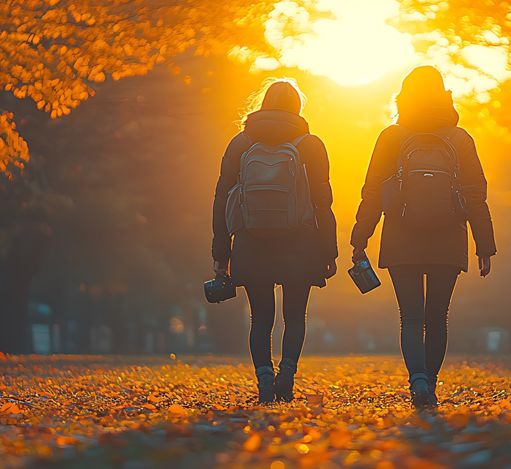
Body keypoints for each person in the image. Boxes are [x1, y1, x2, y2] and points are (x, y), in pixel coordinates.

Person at [350, 66, 496, 408]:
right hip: (448, 239)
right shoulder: (460, 139)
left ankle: (417, 380)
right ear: (444, 96)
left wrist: (361, 237)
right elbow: (476, 195)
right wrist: (484, 246)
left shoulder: (391, 137)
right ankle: (430, 382)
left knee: (411, 317)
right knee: (437, 317)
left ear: (404, 97)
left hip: (402, 239)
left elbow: (372, 192)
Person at [211, 78, 337, 404]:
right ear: (297, 107)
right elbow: (324, 203)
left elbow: (222, 199)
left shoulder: (242, 142)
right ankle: (287, 373)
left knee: (260, 317)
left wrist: (221, 252)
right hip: (301, 242)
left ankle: (264, 377)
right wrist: (329, 251)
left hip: (252, 243)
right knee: (294, 316)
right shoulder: (310, 144)